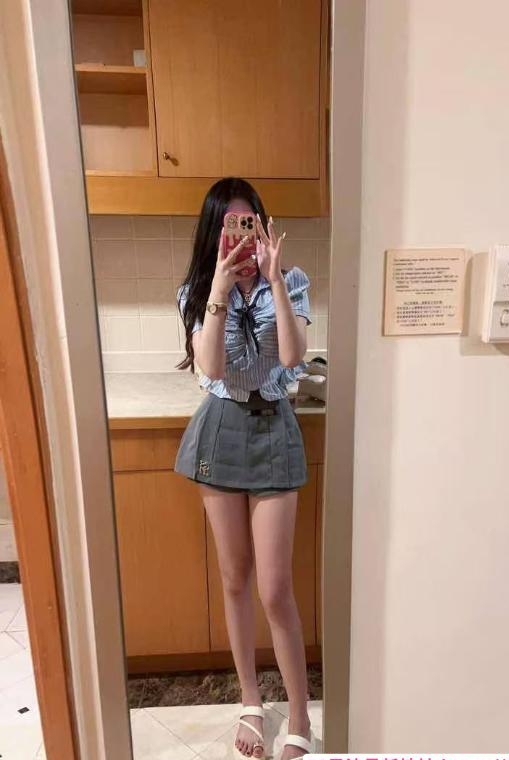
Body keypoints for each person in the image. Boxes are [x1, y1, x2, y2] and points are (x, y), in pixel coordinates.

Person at [174, 177, 315, 760]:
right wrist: (220, 287)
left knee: (275, 589)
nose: (242, 237)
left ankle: (300, 715)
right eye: (231, 226)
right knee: (234, 578)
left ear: (262, 226)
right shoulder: (197, 290)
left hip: (274, 428)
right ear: (215, 234)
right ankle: (251, 701)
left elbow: (292, 356)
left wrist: (275, 280)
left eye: (249, 223)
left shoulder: (293, 280)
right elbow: (210, 365)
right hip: (222, 428)